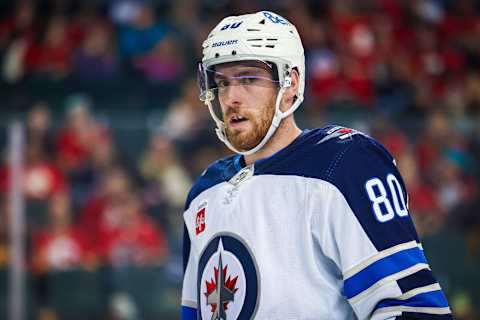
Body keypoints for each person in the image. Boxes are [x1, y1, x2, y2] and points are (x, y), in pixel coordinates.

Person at [181, 11, 452, 320]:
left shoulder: (345, 164)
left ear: (291, 83)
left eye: (248, 79)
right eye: (222, 83)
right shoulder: (204, 192)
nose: (231, 97)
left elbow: (412, 308)